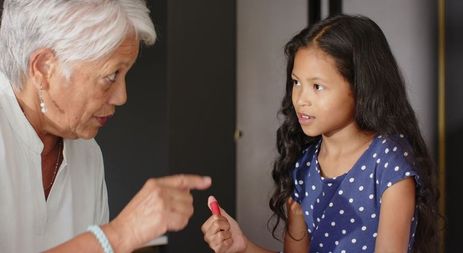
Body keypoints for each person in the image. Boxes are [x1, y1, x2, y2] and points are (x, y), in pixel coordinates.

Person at [202, 14, 438, 253]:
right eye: (296, 82)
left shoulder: (389, 163)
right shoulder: (303, 166)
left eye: (317, 86)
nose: (301, 99)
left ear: (361, 87)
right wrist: (242, 247)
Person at [0, 0, 211, 252]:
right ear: (44, 68)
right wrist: (120, 234)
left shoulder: (88, 155)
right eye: (111, 76)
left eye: (125, 75)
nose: (122, 97)